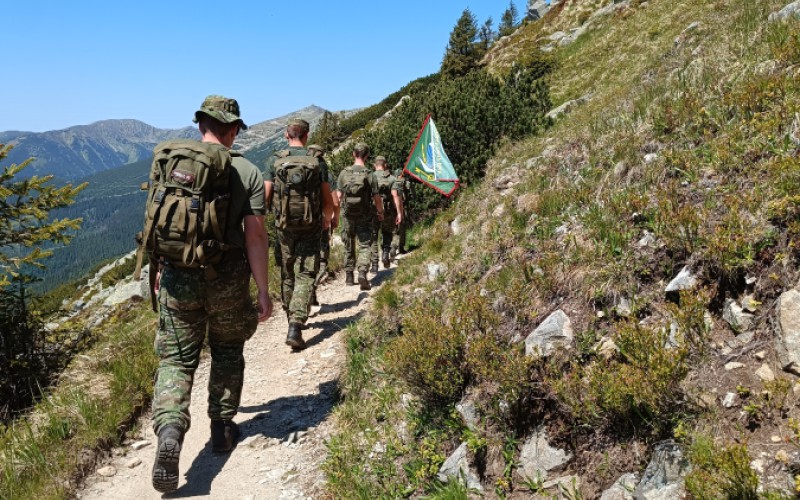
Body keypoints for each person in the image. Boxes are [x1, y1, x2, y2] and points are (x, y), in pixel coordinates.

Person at [150, 95, 273, 493]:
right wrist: (263, 290)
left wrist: (158, 269)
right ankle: (221, 428)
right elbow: (255, 236)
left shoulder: (172, 165)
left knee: (176, 359)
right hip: (227, 277)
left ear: (201, 124)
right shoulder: (248, 171)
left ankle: (170, 429)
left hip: (177, 274)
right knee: (227, 349)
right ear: (234, 129)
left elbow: (160, 223)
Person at [263, 120, 335, 351]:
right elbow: (328, 200)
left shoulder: (275, 161)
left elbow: (265, 197)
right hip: (310, 226)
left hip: (284, 227)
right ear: (306, 135)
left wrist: (267, 221)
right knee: (305, 273)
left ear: (287, 135)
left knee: (287, 273)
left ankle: (290, 320)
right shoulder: (317, 162)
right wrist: (327, 219)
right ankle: (296, 324)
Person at [337, 142, 383, 290]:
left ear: (353, 154)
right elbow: (376, 197)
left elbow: (338, 197)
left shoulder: (344, 173)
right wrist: (380, 212)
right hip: (365, 214)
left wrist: (336, 216)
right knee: (364, 244)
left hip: (348, 215)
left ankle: (349, 277)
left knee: (349, 244)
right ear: (367, 156)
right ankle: (362, 271)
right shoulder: (369, 174)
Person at [307, 144, 339, 312]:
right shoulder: (325, 174)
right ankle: (309, 290)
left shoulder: (300, 170)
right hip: (320, 223)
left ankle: (308, 296)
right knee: (321, 260)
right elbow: (335, 202)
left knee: (304, 261)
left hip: (299, 223)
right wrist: (333, 218)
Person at [370, 156, 404, 269]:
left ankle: (374, 263)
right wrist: (399, 212)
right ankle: (385, 253)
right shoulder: (391, 178)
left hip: (373, 210)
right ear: (385, 165)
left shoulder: (370, 177)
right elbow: (395, 196)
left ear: (374, 165)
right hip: (388, 211)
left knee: (373, 235)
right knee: (387, 232)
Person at [393, 166, 412, 254]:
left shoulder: (391, 181)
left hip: (392, 208)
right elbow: (411, 194)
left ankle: (392, 246)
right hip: (402, 208)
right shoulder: (405, 181)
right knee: (402, 227)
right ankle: (400, 247)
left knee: (394, 228)